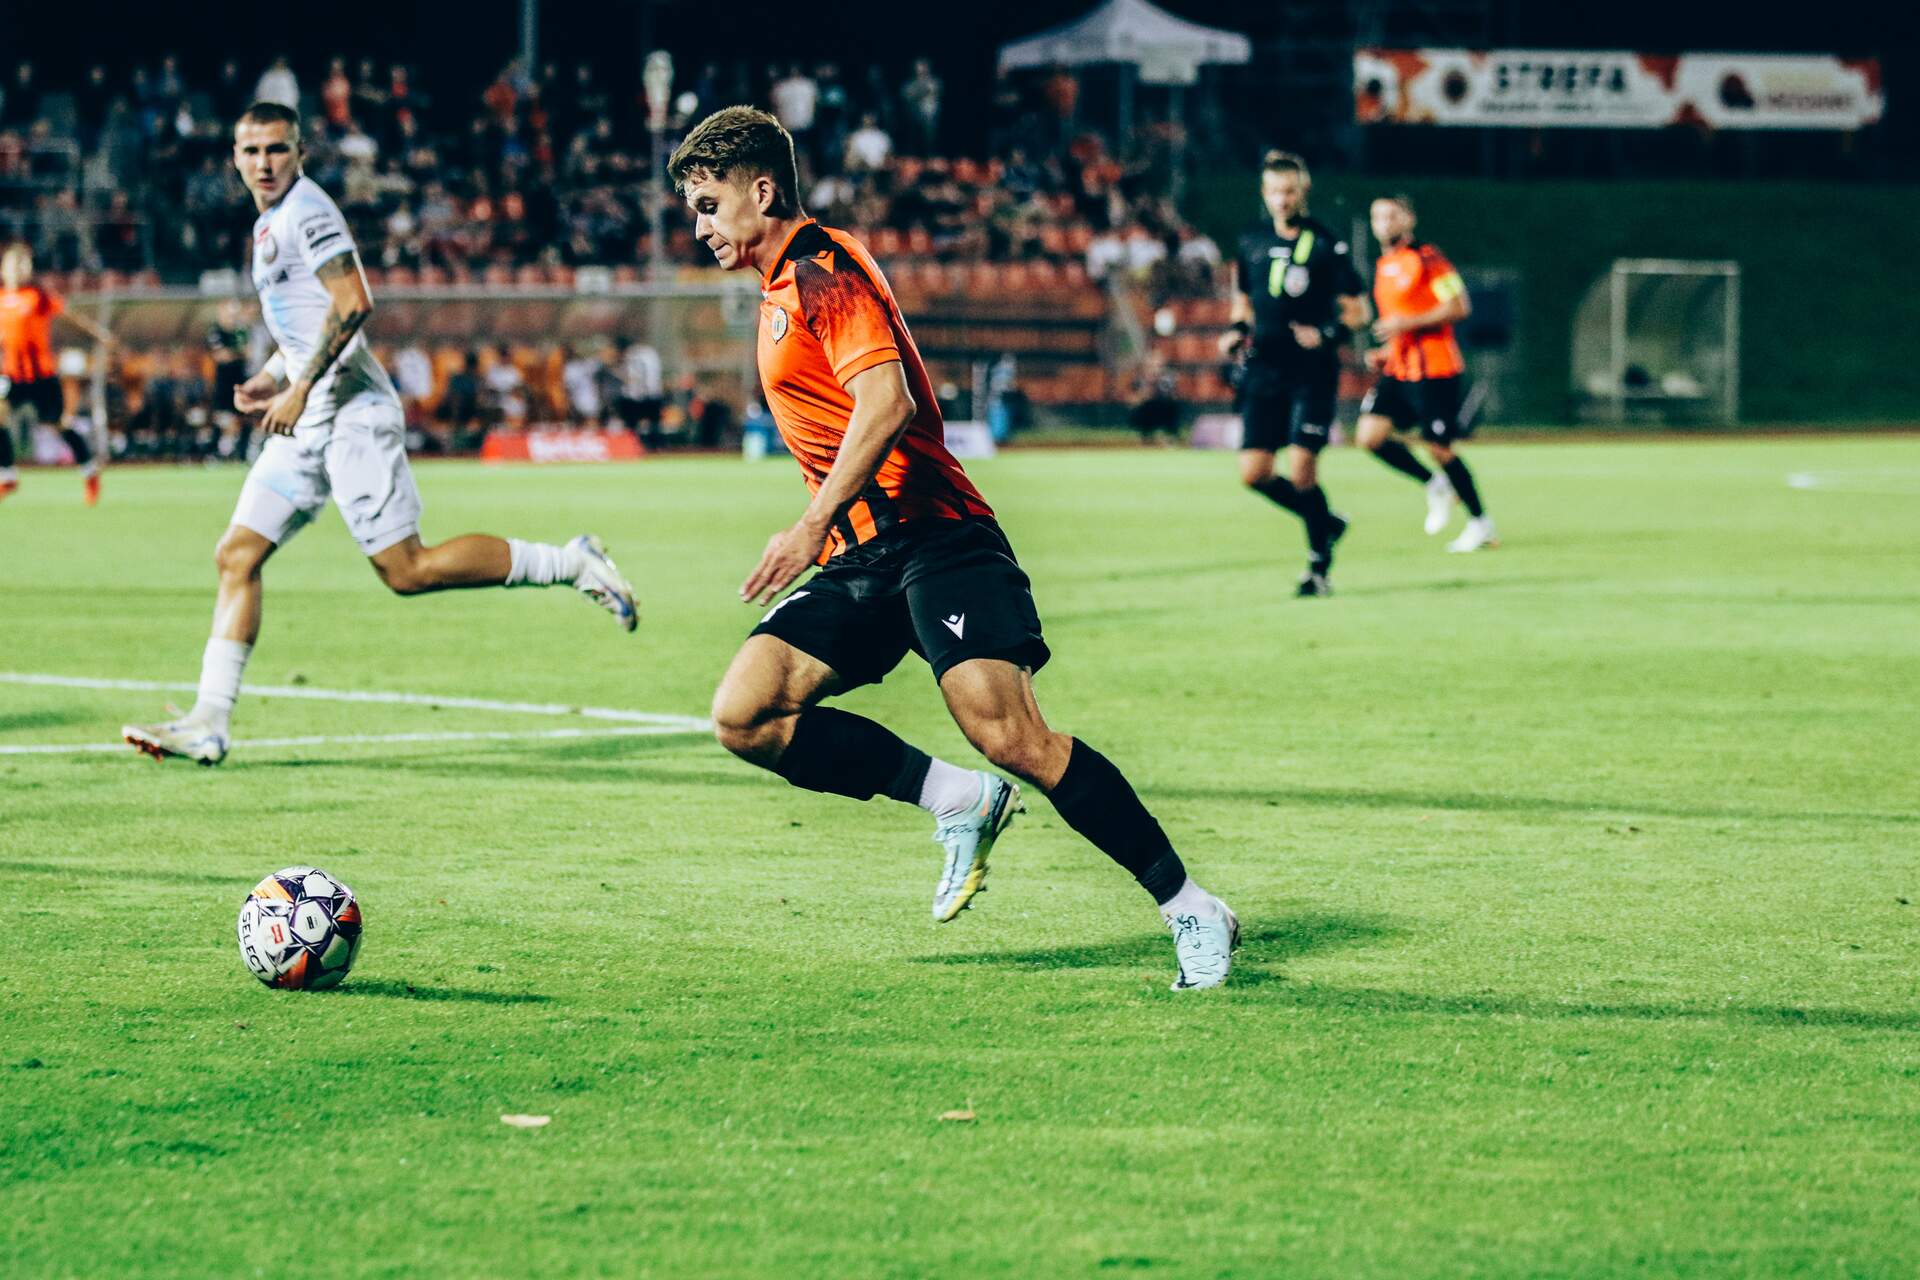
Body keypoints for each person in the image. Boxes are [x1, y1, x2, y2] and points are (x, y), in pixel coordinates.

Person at [669, 106, 1238, 990]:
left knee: (1012, 735)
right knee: (745, 715)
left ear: (763, 190)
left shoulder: (820, 269)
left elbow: (887, 403)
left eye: (709, 205)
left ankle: (1191, 907)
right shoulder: (780, 287)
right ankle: (957, 799)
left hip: (935, 534)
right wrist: (830, 531)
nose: (700, 226)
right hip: (863, 554)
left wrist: (811, 523)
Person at [123, 103, 639, 767]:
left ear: (300, 152)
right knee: (237, 555)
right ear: (234, 157)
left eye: (277, 149)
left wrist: (299, 389)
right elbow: (308, 323)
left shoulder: (307, 211)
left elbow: (354, 303)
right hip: (307, 419)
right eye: (251, 151)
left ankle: (570, 562)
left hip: (351, 416)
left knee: (407, 570)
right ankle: (209, 723)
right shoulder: (269, 222)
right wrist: (270, 376)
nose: (264, 163)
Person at [1219, 152, 1368, 596]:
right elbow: (1243, 300)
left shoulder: (1325, 243)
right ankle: (1326, 522)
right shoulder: (1251, 240)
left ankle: (1318, 569)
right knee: (1254, 473)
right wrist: (1236, 331)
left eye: (1289, 192)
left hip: (1311, 372)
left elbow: (1359, 311)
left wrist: (1326, 333)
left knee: (1302, 469)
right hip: (1263, 368)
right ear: (1264, 194)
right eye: (1274, 192)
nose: (1282, 200)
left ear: (1303, 192)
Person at [1357, 195, 1496, 553]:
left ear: (1409, 219)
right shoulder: (1384, 264)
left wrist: (1407, 323)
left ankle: (1481, 524)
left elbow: (1459, 306)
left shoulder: (1429, 259)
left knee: (1440, 449)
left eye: (1392, 215)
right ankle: (1435, 484)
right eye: (1377, 216)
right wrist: (1386, 351)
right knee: (1370, 437)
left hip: (1435, 367)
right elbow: (1397, 323)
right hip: (1399, 368)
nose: (1383, 223)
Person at [0, 244, 111, 505]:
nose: (19, 270)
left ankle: (89, 472)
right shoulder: (1, 298)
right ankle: (7, 475)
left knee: (58, 425)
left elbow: (70, 317)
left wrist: (98, 334)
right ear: (4, 269)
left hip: (42, 377)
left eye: (23, 265)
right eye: (14, 265)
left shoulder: (38, 297)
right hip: (11, 375)